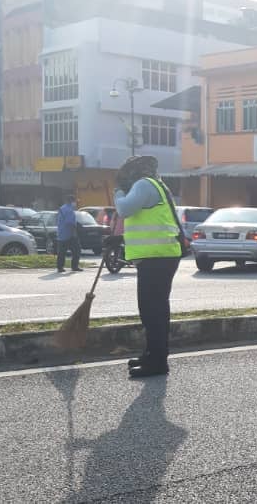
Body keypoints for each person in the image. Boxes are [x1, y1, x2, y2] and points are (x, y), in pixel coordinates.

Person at [113, 155, 183, 378]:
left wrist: (118, 193)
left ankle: (158, 362)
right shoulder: (155, 185)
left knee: (153, 311)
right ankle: (152, 355)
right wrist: (119, 240)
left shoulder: (144, 185)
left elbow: (125, 209)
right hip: (160, 256)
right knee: (154, 310)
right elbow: (145, 220)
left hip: (158, 258)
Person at [55, 195, 83, 273]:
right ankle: (75, 266)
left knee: (61, 252)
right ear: (72, 202)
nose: (76, 203)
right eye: (75, 202)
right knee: (77, 250)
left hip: (61, 233)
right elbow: (70, 223)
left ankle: (60, 267)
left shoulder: (62, 208)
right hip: (69, 234)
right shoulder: (69, 210)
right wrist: (74, 233)